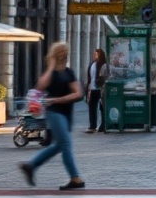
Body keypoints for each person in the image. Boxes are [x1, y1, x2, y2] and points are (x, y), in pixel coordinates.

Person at [19, 41, 85, 190]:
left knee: (58, 146)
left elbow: (78, 93)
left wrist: (58, 99)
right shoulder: (51, 73)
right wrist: (51, 66)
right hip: (55, 113)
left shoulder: (69, 72)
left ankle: (31, 166)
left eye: (65, 50)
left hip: (66, 113)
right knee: (66, 144)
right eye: (60, 51)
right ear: (55, 54)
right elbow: (41, 86)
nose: (63, 53)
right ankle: (75, 178)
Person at [84, 48, 109, 134]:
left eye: (97, 54)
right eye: (95, 54)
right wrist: (88, 87)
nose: (95, 55)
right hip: (92, 88)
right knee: (92, 106)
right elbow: (89, 77)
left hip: (101, 88)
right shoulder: (92, 64)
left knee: (102, 107)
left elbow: (105, 76)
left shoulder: (103, 64)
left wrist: (101, 83)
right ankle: (92, 125)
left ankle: (103, 125)